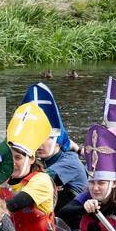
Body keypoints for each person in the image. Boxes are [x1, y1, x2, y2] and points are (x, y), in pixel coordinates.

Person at [0, 101, 59, 231]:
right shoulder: (0, 182)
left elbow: (17, 203)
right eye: (10, 158)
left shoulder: (42, 180)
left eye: (18, 158)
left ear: (31, 159)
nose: (13, 163)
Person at [22, 81, 87, 212]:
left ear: (57, 141)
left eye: (43, 139)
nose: (38, 144)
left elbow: (39, 181)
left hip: (74, 224)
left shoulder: (70, 162)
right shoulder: (41, 160)